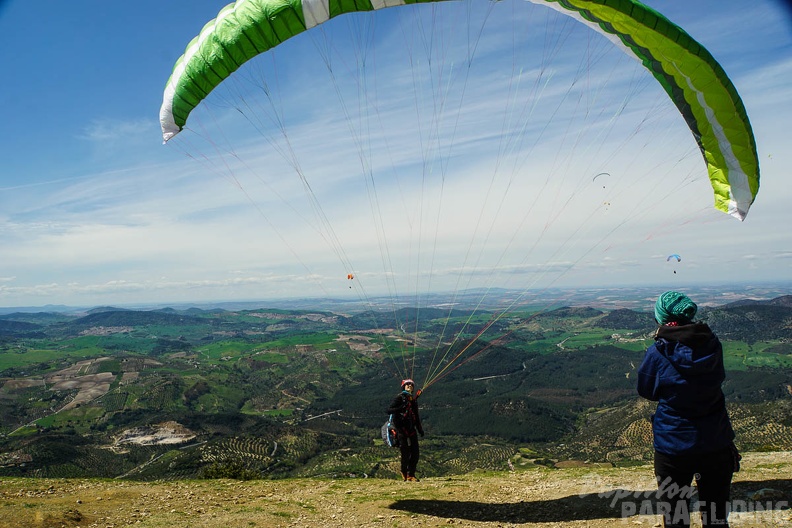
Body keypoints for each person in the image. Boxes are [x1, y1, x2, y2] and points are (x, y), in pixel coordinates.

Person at [637, 290, 740, 527]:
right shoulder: (713, 344)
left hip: (674, 444)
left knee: (675, 516)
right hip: (716, 439)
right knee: (716, 517)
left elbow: (646, 391)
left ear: (661, 317)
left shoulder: (658, 352)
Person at [387, 379, 424, 481]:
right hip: (401, 430)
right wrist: (401, 408)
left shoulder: (413, 401)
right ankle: (404, 471)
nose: (409, 386)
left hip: (411, 429)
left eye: (411, 384)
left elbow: (416, 416)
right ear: (403, 386)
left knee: (415, 453)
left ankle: (411, 474)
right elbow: (388, 410)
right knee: (405, 452)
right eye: (407, 384)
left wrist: (420, 429)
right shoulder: (400, 398)